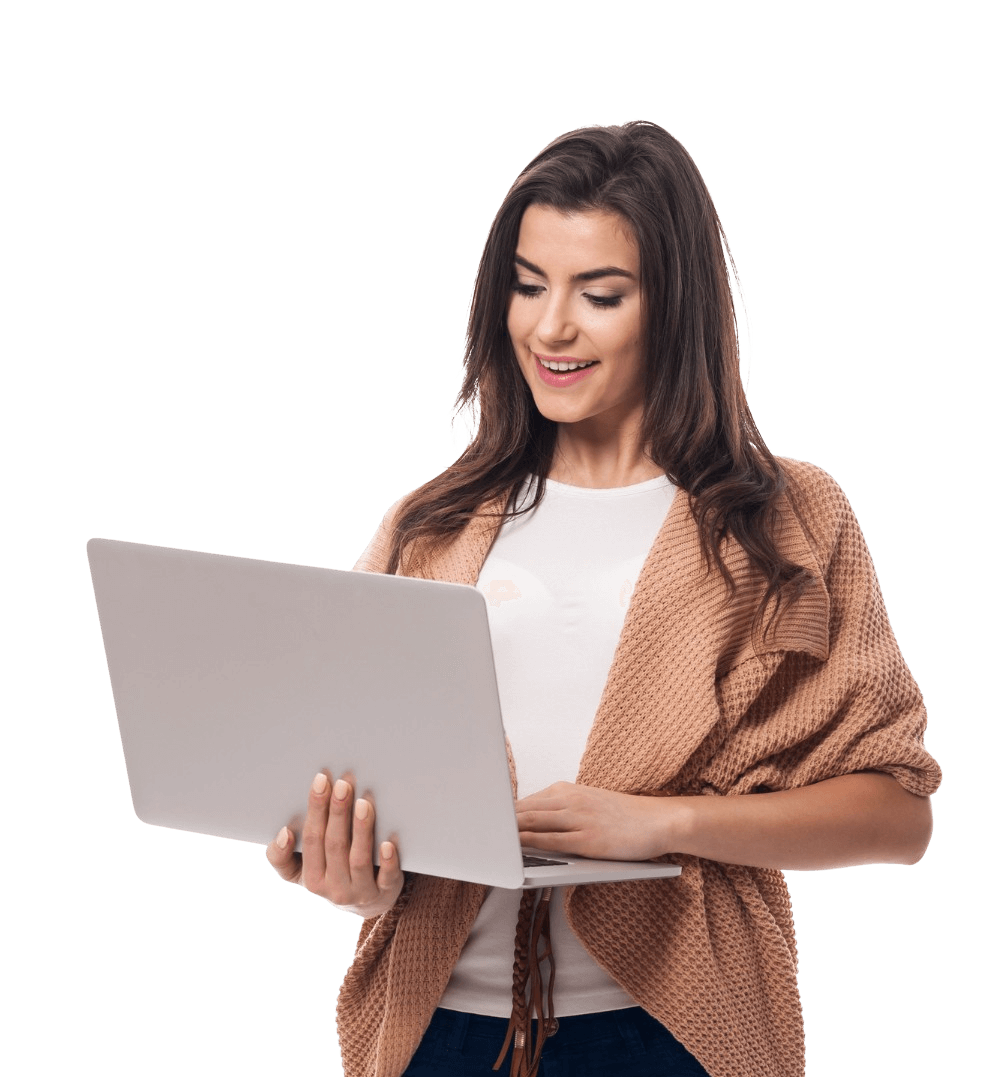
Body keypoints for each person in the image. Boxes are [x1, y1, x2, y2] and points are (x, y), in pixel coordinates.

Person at [265, 121, 940, 1077]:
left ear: (674, 305)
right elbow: (359, 786)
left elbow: (896, 812)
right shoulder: (431, 523)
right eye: (529, 285)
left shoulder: (786, 516)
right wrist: (346, 874)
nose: (551, 328)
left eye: (601, 294)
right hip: (436, 1031)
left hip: (670, 1030)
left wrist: (660, 823)